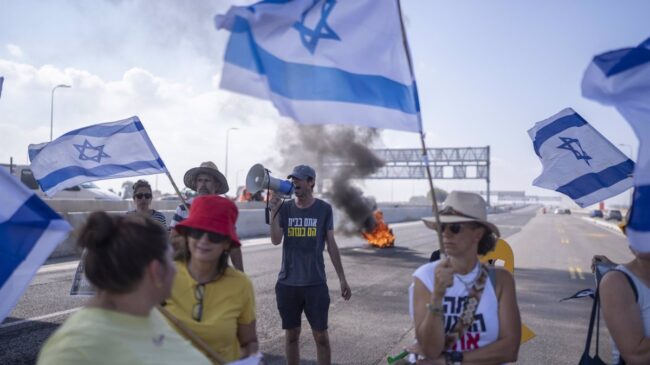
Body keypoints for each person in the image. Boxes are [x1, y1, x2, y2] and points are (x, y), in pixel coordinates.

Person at [37, 212, 210, 365]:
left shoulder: (148, 313)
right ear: (156, 270)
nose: (175, 269)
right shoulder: (73, 351)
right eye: (170, 259)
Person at [412, 191, 520, 364]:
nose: (446, 234)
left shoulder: (501, 281)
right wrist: (437, 296)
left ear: (477, 234)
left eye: (455, 228)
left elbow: (510, 349)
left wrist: (449, 361)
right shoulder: (425, 277)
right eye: (442, 227)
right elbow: (430, 349)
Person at [269, 164, 351, 365]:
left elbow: (331, 244)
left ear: (311, 182)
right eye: (293, 179)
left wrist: (342, 278)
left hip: (315, 284)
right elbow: (276, 240)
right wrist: (273, 212)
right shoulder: (285, 208)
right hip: (288, 283)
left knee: (321, 336)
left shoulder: (323, 209)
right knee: (291, 335)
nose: (294, 182)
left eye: (299, 179)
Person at [164, 195, 259, 362]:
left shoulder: (241, 285)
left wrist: (251, 359)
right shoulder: (163, 276)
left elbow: (249, 342)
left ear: (227, 244)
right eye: (197, 231)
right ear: (187, 236)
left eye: (214, 235)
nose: (204, 240)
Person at [169, 161, 244, 271]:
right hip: (188, 273)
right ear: (196, 184)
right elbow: (172, 242)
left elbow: (233, 246)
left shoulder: (223, 210)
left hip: (216, 272)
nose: (203, 184)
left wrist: (240, 272)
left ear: (216, 185)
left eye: (207, 180)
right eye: (200, 180)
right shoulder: (182, 209)